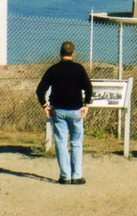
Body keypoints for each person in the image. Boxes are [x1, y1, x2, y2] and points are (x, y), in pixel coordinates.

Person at [36, 40, 94, 184]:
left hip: (58, 110)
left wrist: (45, 106)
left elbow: (40, 90)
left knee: (61, 143)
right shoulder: (79, 69)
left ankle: (65, 176)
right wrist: (86, 105)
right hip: (75, 110)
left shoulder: (53, 69)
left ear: (60, 53)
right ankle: (76, 176)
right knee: (76, 143)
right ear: (73, 54)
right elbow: (89, 88)